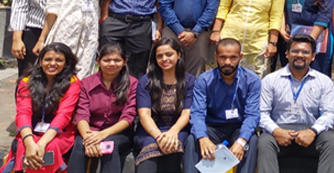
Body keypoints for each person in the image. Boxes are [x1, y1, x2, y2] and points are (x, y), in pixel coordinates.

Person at [258, 34, 334, 173]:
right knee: (264, 141)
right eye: (295, 51)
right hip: (279, 132)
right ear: (287, 54)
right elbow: (261, 112)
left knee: (331, 141)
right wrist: (276, 131)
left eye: (305, 52)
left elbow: (331, 113)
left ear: (313, 56)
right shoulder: (270, 80)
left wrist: (313, 131)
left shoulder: (324, 81)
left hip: (310, 132)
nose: (300, 55)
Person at [1, 42, 80, 173]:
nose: (52, 63)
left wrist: (42, 143)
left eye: (59, 60)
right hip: (31, 130)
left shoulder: (72, 82)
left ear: (66, 63)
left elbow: (64, 115)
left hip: (60, 132)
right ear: (40, 61)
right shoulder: (27, 81)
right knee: (23, 146)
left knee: (50, 147)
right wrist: (29, 142)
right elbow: (23, 113)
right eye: (48, 59)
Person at [184, 39, 260, 173]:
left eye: (233, 57)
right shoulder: (204, 80)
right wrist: (203, 138)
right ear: (216, 57)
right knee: (192, 140)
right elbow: (197, 113)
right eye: (223, 57)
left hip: (238, 127)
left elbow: (252, 114)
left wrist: (241, 141)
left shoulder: (252, 80)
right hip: (212, 128)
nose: (227, 62)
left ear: (240, 57)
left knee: (251, 141)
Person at [211, 0, 284, 78]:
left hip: (256, 42)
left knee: (253, 80)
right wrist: (216, 31)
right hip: (230, 36)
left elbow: (276, 17)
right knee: (225, 77)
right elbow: (223, 6)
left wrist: (273, 43)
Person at [70, 43, 138, 173]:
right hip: (90, 131)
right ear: (98, 61)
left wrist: (102, 134)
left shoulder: (132, 83)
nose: (111, 64)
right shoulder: (86, 83)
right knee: (79, 146)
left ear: (125, 62)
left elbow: (128, 117)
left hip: (118, 133)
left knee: (109, 146)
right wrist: (88, 138)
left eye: (117, 60)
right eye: (106, 60)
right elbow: (82, 114)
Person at [135, 38, 196, 173]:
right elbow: (144, 115)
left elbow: (187, 113)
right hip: (150, 130)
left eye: (169, 54)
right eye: (159, 56)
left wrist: (173, 132)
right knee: (151, 148)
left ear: (178, 55)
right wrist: (158, 136)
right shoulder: (146, 81)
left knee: (173, 146)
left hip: (178, 129)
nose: (164, 59)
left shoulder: (190, 81)